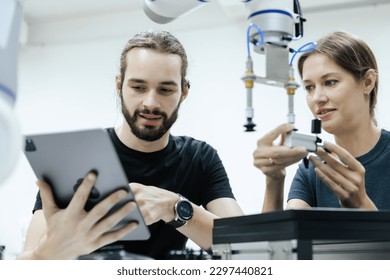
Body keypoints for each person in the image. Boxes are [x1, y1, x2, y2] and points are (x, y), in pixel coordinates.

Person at [17, 30, 244, 260]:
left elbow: (246, 246)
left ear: (184, 92)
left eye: (165, 89)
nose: (150, 103)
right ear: (120, 85)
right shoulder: (76, 157)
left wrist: (174, 206)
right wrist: (47, 253)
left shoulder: (200, 158)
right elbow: (21, 268)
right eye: (138, 87)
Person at [253, 31, 390, 212]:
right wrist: (274, 179)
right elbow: (280, 238)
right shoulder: (312, 169)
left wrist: (362, 205)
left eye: (330, 82)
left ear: (367, 82)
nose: (317, 98)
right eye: (309, 87)